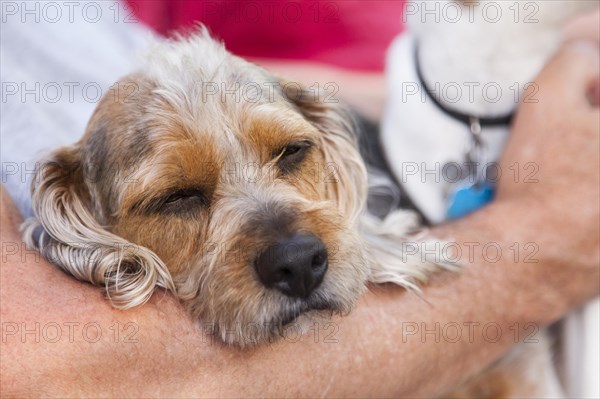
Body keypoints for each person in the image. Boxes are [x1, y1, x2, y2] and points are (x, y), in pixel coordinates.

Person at [1, 4, 598, 398]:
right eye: (179, 197)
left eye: (290, 155)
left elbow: (217, 90)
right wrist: (543, 230)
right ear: (78, 217)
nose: (292, 249)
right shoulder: (66, 198)